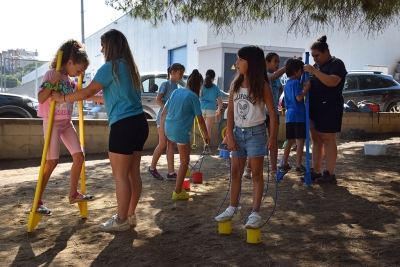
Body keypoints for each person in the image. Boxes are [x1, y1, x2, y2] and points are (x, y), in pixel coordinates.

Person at [52, 29, 149, 231]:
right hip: (140, 123)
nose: (102, 50)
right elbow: (109, 97)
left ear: (111, 46)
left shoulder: (110, 67)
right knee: (132, 174)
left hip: (123, 125)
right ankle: (130, 215)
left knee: (121, 176)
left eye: (103, 46)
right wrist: (87, 97)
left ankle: (121, 219)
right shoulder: (130, 68)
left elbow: (88, 90)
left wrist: (63, 98)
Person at [214, 46, 277, 229]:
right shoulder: (235, 85)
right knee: (235, 173)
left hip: (256, 133)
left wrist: (272, 138)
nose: (237, 63)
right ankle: (232, 207)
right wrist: (230, 136)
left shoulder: (262, 85)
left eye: (241, 60)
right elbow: (231, 114)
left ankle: (255, 213)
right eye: (237, 59)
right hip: (237, 135)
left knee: (256, 174)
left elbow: (272, 113)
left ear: (252, 63)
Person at [36, 39, 93, 216]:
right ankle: (37, 201)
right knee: (52, 161)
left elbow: (78, 96)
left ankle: (73, 194)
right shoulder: (52, 74)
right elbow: (41, 98)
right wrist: (52, 82)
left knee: (79, 156)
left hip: (67, 122)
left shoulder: (70, 81)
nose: (81, 72)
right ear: (69, 62)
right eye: (79, 69)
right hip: (52, 122)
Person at [160, 69, 210, 200]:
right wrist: (206, 135)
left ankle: (181, 173)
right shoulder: (193, 96)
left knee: (178, 154)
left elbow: (164, 112)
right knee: (184, 160)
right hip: (180, 130)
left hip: (168, 127)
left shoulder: (176, 91)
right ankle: (177, 191)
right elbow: (200, 120)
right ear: (199, 85)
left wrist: (163, 129)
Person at [303, 35, 347, 183]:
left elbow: (333, 81)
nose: (315, 59)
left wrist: (314, 72)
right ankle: (316, 171)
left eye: (317, 55)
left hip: (330, 106)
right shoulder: (316, 67)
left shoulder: (336, 64)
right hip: (315, 107)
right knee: (316, 139)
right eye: (313, 56)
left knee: (328, 139)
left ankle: (330, 173)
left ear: (326, 52)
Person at [243, 52, 285, 179]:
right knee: (257, 142)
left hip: (274, 113)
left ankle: (273, 170)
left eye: (279, 62)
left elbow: (280, 88)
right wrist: (285, 68)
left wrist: (278, 100)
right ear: (267, 63)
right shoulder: (264, 75)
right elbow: (271, 77)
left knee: (273, 141)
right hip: (261, 113)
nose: (277, 64)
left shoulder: (277, 79)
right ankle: (248, 168)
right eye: (275, 61)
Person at [148, 63, 185, 180]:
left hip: (171, 119)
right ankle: (152, 168)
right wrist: (167, 109)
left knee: (171, 145)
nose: (181, 76)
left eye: (182, 73)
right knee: (163, 143)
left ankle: (171, 172)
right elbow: (158, 100)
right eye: (180, 73)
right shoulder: (166, 84)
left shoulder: (176, 86)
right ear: (172, 72)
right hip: (163, 118)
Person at [280, 58, 311, 175]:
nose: (302, 73)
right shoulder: (296, 83)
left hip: (289, 116)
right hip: (298, 115)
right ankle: (298, 165)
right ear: (296, 71)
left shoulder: (287, 84)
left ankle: (284, 163)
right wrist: (306, 89)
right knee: (300, 141)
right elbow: (298, 97)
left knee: (289, 141)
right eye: (301, 71)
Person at [200, 69, 223, 153]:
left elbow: (198, 97)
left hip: (201, 108)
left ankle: (204, 146)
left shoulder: (201, 86)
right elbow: (220, 101)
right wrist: (219, 109)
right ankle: (206, 147)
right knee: (208, 128)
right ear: (213, 78)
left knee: (204, 129)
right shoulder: (215, 88)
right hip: (211, 109)